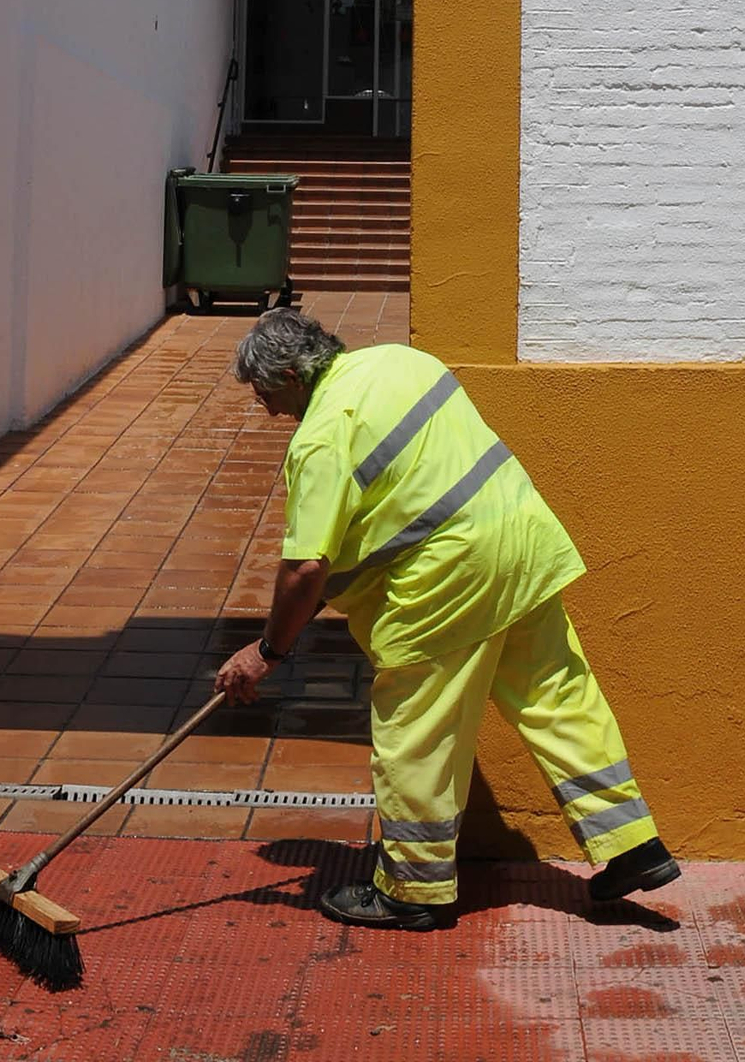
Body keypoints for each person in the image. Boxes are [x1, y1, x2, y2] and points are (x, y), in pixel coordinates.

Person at [213, 309, 678, 930]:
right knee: (558, 699)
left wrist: (266, 651)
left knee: (418, 731)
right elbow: (401, 500)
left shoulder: (322, 434)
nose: (269, 410)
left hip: (448, 580)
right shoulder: (403, 362)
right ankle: (633, 846)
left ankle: (413, 888)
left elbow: (305, 569)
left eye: (267, 393)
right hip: (522, 546)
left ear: (295, 373)